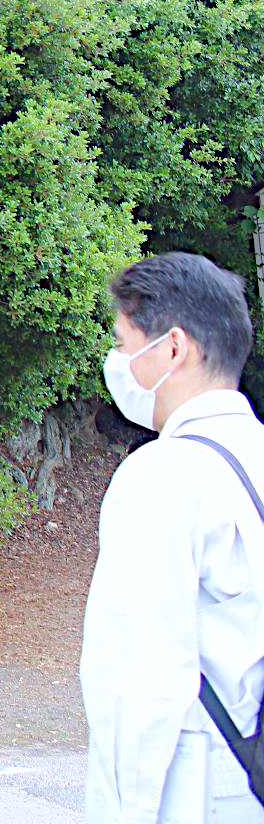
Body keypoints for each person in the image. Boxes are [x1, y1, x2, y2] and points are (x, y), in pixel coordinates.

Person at [82, 252, 264, 824]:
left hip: (199, 781)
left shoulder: (162, 476)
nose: (118, 361)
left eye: (123, 341)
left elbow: (136, 680)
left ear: (174, 348)